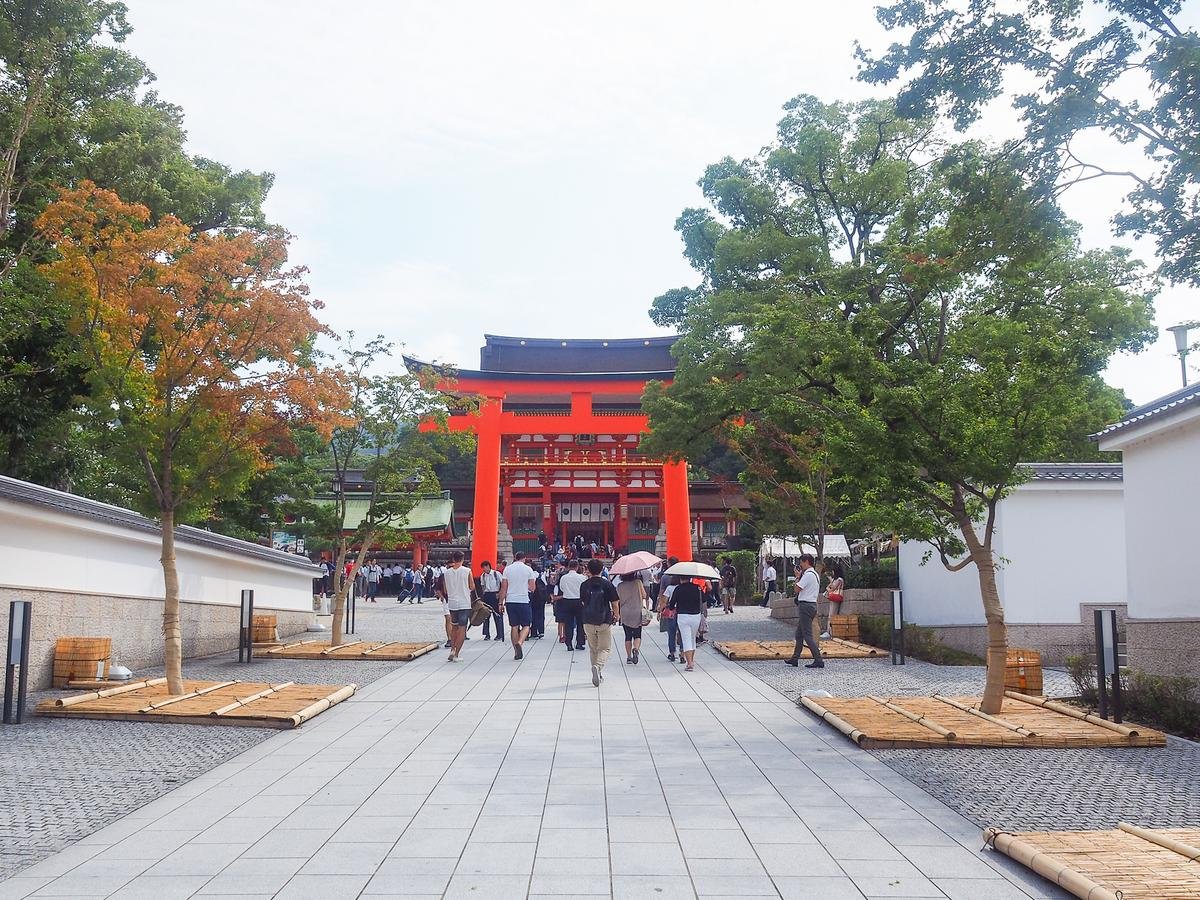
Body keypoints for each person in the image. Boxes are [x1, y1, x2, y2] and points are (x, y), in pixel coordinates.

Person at [580, 558, 620, 686]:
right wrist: (617, 615)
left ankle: (597, 671)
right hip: (604, 620)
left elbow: (583, 602)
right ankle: (598, 667)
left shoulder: (584, 585)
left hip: (587, 620)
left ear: (588, 570)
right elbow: (614, 603)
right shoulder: (607, 584)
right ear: (602, 569)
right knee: (605, 648)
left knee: (593, 648)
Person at [786, 553, 824, 669]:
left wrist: (798, 577)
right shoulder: (815, 574)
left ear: (806, 561)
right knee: (799, 634)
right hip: (811, 605)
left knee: (807, 635)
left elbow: (797, 589)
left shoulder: (808, 575)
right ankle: (795, 658)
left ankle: (818, 659)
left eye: (801, 562)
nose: (800, 565)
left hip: (805, 606)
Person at [499, 550, 537, 660]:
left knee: (514, 626)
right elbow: (532, 588)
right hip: (523, 600)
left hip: (511, 600)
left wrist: (501, 602)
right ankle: (520, 643)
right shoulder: (528, 569)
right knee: (526, 625)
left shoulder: (508, 569)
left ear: (515, 558)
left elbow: (504, 587)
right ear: (524, 559)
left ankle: (516, 652)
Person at [443, 550, 475, 662]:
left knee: (454, 627)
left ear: (453, 559)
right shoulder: (467, 571)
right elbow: (472, 587)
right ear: (462, 559)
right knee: (462, 628)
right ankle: (456, 654)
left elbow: (445, 590)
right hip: (464, 602)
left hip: (452, 603)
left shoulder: (446, 573)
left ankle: (452, 649)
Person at [668, 575, 705, 672]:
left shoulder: (678, 589)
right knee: (692, 638)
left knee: (686, 639)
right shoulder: (697, 588)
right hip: (695, 616)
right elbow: (704, 600)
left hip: (683, 616)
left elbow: (671, 605)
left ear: (680, 578)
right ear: (690, 578)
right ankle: (691, 660)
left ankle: (689, 663)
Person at [616, 571, 649, 665]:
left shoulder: (620, 586)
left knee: (628, 635)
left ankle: (629, 657)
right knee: (637, 634)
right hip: (637, 610)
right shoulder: (638, 582)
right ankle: (636, 649)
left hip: (625, 611)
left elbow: (617, 599)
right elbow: (644, 595)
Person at [556, 559, 587, 652]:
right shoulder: (582, 577)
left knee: (568, 623)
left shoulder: (564, 577)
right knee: (580, 623)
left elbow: (561, 588)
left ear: (569, 567)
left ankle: (568, 643)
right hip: (579, 601)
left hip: (567, 600)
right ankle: (580, 642)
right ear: (577, 567)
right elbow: (584, 589)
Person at [657, 575, 681, 662]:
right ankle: (682, 653)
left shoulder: (669, 588)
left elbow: (664, 601)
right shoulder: (681, 587)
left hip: (671, 612)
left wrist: (660, 611)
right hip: (681, 612)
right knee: (681, 633)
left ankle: (672, 653)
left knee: (671, 633)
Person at [478, 560, 504, 640]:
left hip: (495, 594)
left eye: (485, 567)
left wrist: (500, 593)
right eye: (483, 568)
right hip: (487, 595)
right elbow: (482, 587)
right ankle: (487, 634)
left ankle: (500, 634)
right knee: (486, 615)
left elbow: (503, 584)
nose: (484, 569)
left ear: (488, 566)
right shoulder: (482, 576)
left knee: (497, 615)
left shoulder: (496, 574)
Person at [820, 563, 845, 639]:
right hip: (834, 598)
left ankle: (830, 632)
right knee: (831, 614)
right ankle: (829, 631)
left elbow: (833, 588)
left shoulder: (839, 579)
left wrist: (829, 586)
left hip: (835, 597)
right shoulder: (837, 579)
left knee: (832, 615)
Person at [530, 563, 548, 638]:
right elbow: (546, 585)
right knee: (541, 614)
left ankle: (533, 631)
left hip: (532, 597)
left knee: (532, 614)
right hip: (541, 598)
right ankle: (541, 631)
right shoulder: (541, 575)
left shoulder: (530, 576)